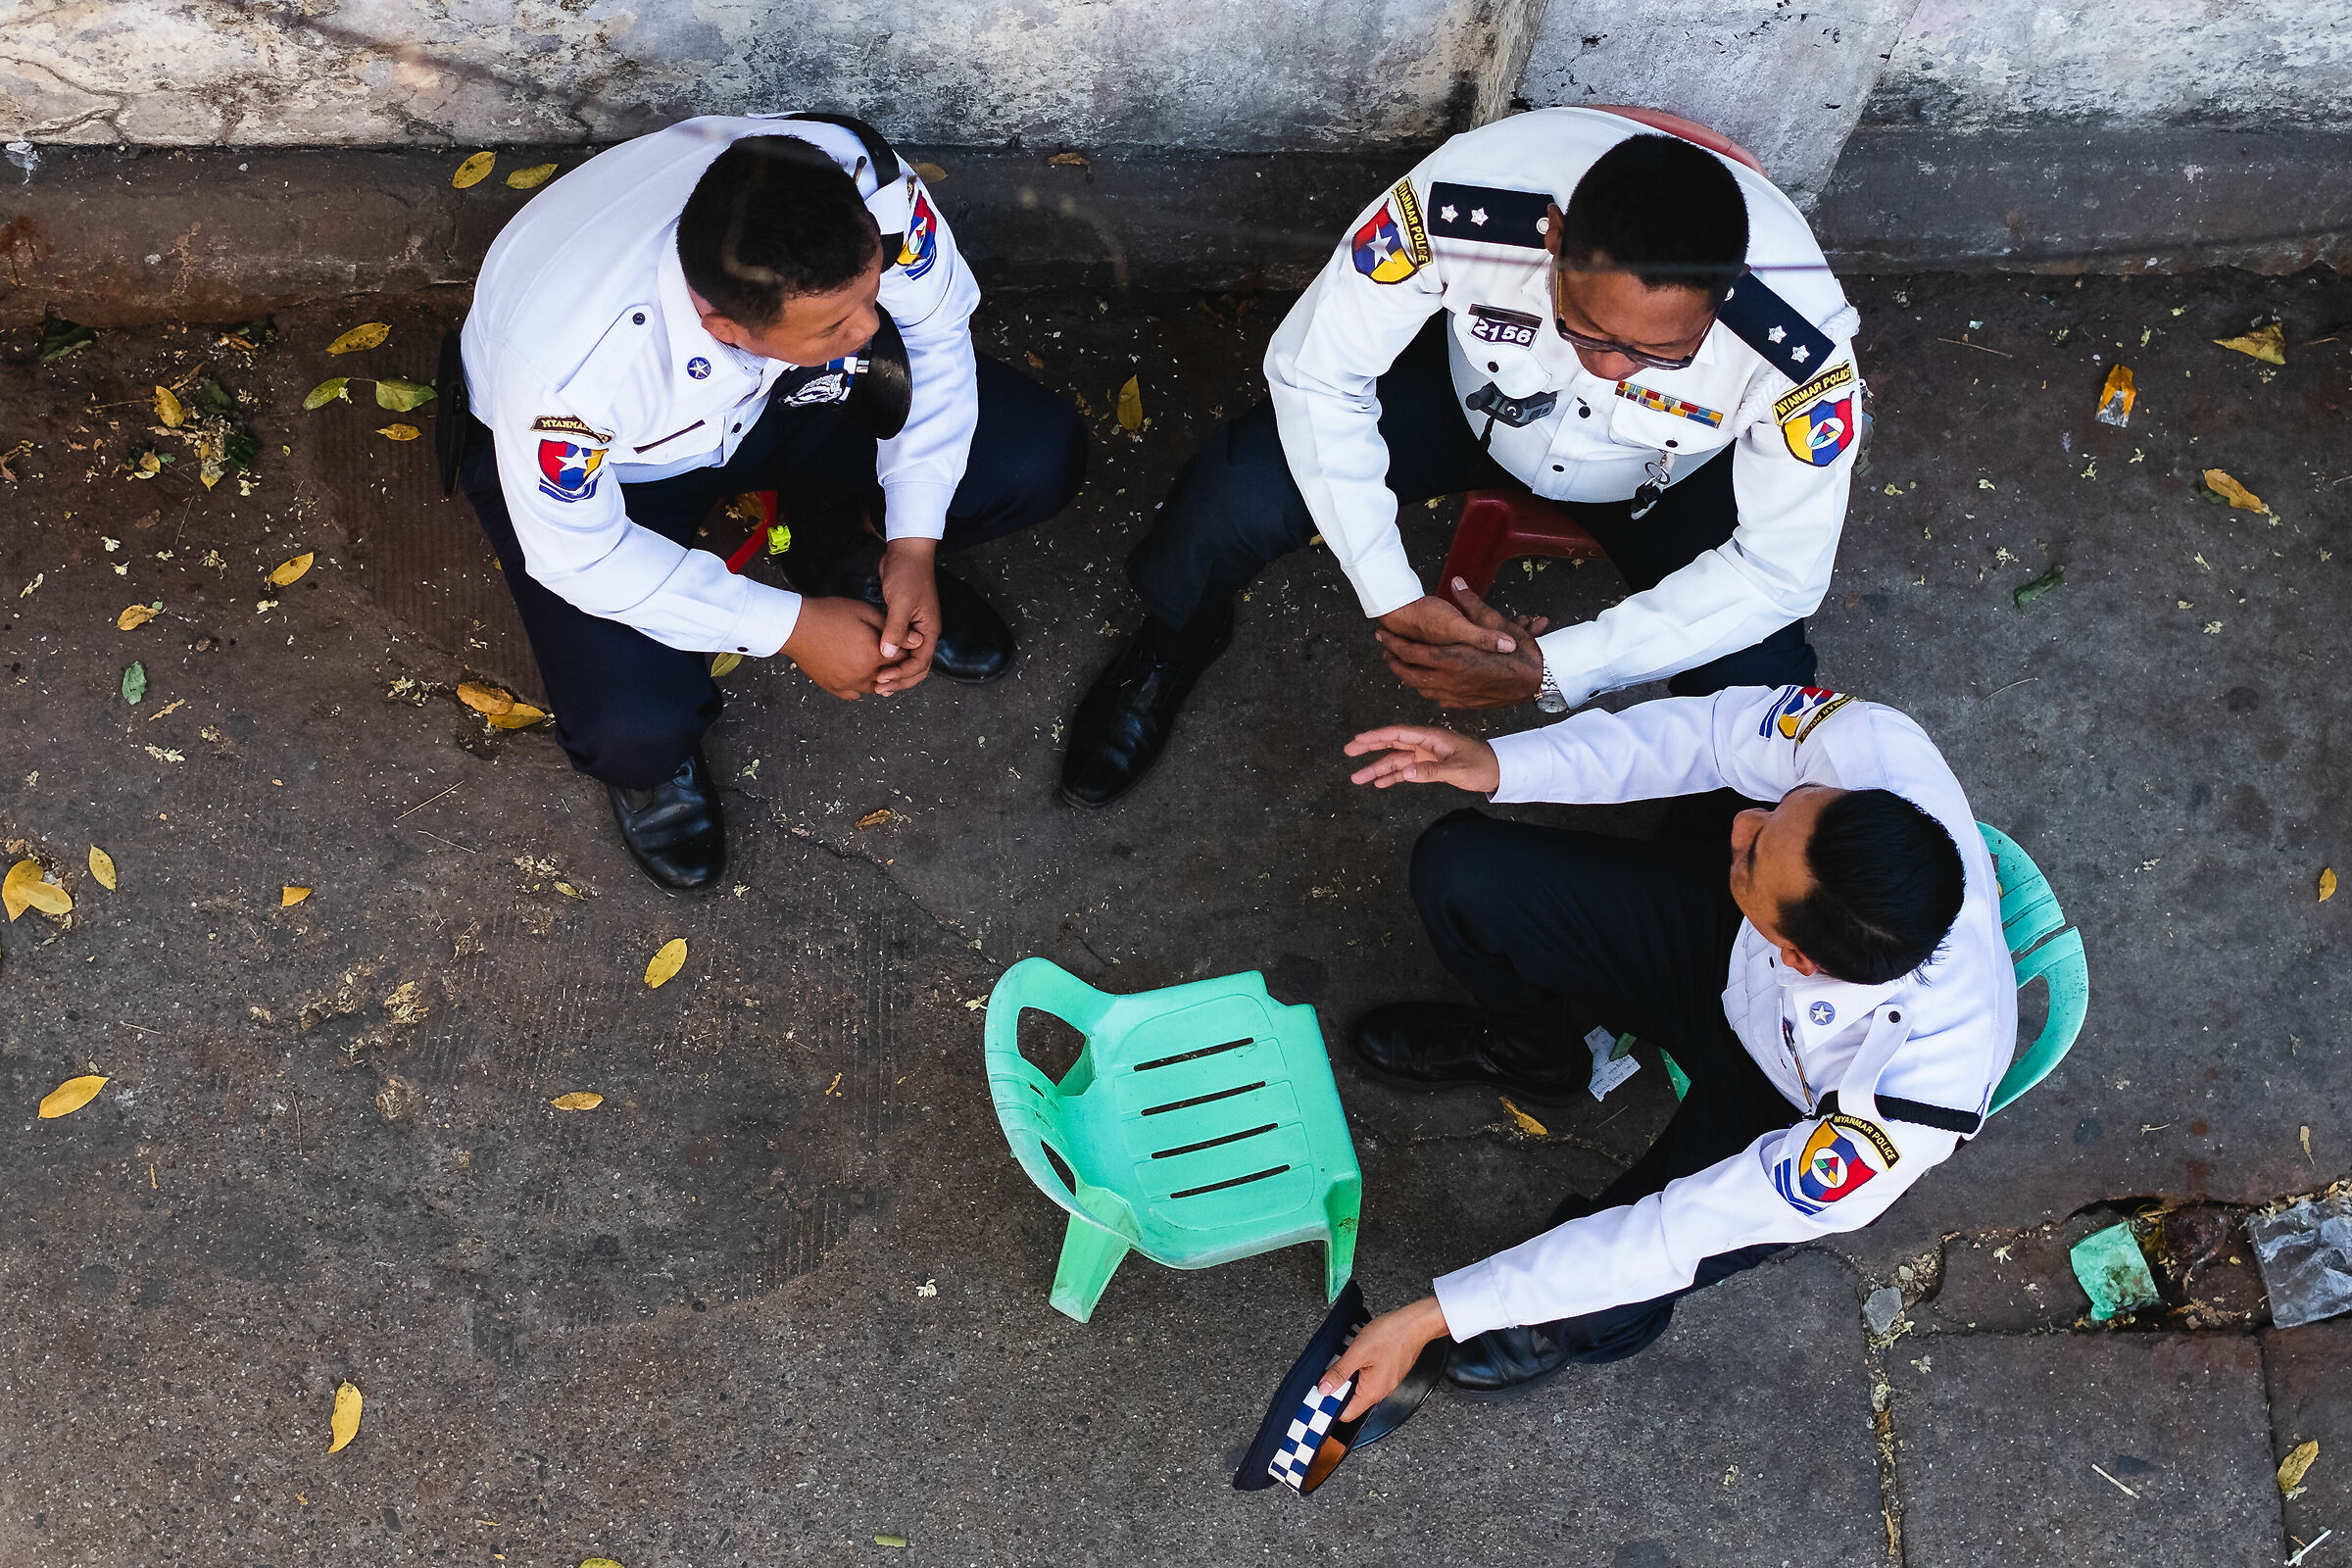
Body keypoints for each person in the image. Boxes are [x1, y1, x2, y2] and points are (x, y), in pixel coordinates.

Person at [1059, 109, 1865, 809]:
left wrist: (1557, 667)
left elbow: (1780, 571)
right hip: (1471, 402)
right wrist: (1387, 588)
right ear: (1555, 239)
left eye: (1659, 355)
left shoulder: (1800, 348)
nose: (1609, 370)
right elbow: (1316, 371)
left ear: (1724, 298)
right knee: (1232, 495)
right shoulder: (1459, 204)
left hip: (1660, 475)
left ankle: (1724, 864)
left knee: (1766, 702)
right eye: (1585, 330)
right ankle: (1174, 640)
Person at [1316, 683, 2015, 1413]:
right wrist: (1503, 763)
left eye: (1750, 856)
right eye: (1784, 806)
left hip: (1788, 1108)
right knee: (1460, 871)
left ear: (1801, 960)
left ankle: (1559, 1325)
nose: (1742, 820)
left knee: (1601, 1299)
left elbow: (1668, 1235)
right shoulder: (1872, 750)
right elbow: (1714, 734)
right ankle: (1533, 1053)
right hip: (1726, 947)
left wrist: (1436, 1314)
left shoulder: (1898, 1115)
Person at [456, 114, 1087, 888]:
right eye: (836, 324)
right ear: (723, 326)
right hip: (625, 465)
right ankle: (661, 761)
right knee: (633, 729)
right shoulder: (567, 374)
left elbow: (934, 332)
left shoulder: (857, 185)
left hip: (784, 391)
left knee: (1032, 458)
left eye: (870, 294)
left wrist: (915, 537)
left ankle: (842, 543)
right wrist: (790, 627)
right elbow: (581, 555)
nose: (869, 328)